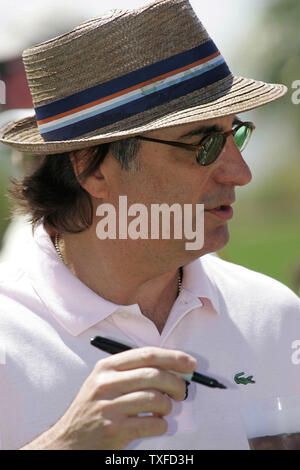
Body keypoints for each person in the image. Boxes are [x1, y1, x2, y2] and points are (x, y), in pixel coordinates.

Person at [0, 0, 299, 451]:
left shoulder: (275, 314)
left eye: (234, 132)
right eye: (201, 142)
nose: (240, 172)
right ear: (92, 169)